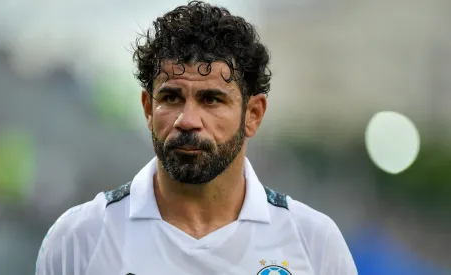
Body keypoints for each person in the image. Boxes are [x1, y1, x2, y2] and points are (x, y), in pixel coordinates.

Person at [35, 1, 358, 274]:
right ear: (148, 108)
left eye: (212, 100)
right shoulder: (79, 237)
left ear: (253, 114)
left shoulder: (314, 243)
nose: (187, 120)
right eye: (171, 97)